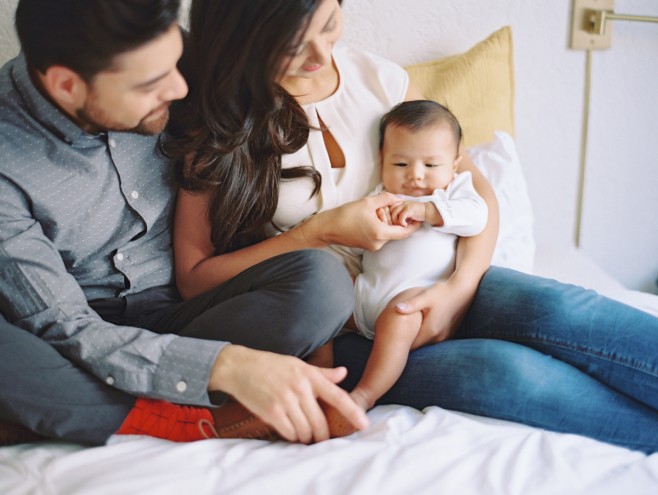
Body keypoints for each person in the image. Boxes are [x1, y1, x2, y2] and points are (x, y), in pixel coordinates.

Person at [168, 0, 658, 452]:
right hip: (348, 325)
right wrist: (317, 233)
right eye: (293, 44)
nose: (321, 53)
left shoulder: (382, 82)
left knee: (562, 309)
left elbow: (474, 189)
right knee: (506, 374)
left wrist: (459, 290)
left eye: (330, 25)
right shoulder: (219, 120)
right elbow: (194, 278)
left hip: (438, 269)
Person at [0, 0, 369, 447]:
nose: (180, 88)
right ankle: (177, 419)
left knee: (321, 280)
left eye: (176, 63)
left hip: (189, 311)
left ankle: (53, 413)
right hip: (77, 333)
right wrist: (227, 366)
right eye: (153, 84)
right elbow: (63, 326)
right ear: (67, 85)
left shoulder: (169, 56)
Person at [345, 100, 488, 416]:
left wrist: (427, 210)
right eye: (400, 165)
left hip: (413, 300)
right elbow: (355, 244)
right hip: (365, 295)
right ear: (382, 160)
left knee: (399, 317)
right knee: (326, 294)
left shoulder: (454, 191)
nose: (415, 176)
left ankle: (364, 396)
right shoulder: (378, 196)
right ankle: (319, 367)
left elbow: (478, 217)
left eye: (431, 165)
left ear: (454, 164)